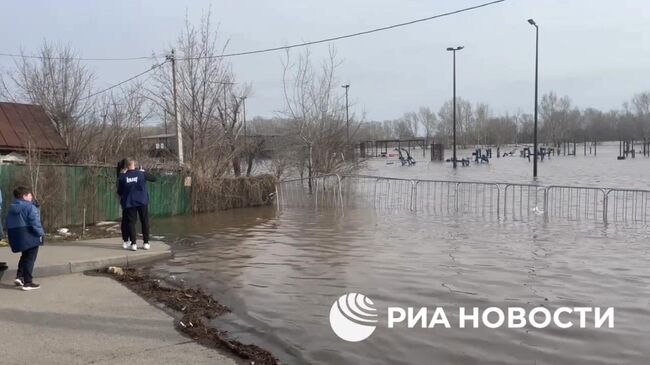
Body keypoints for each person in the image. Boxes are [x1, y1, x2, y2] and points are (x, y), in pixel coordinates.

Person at [5, 186, 45, 291]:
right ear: (24, 196)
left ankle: (20, 277)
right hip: (30, 235)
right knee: (30, 258)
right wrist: (41, 234)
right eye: (30, 195)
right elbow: (35, 222)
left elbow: (7, 223)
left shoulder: (12, 208)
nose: (31, 197)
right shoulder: (29, 207)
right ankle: (28, 282)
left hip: (17, 235)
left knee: (25, 256)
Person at [117, 158, 156, 251]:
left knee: (131, 223)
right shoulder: (141, 174)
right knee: (144, 221)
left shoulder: (123, 176)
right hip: (142, 201)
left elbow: (119, 191)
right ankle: (146, 243)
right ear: (135, 165)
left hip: (130, 202)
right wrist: (144, 172)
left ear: (126, 166)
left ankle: (133, 244)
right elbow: (154, 179)